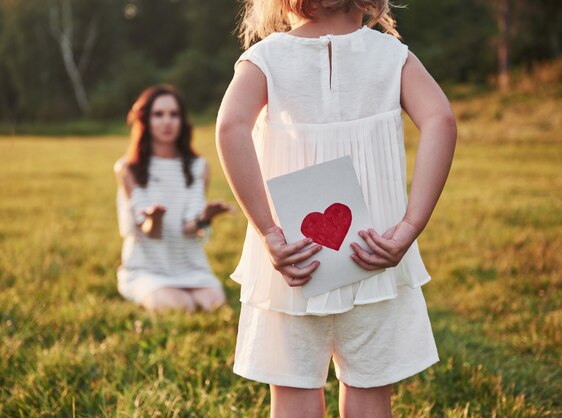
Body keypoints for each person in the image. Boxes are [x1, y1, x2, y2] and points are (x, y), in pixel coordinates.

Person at [216, 0, 457, 416]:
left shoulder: (264, 59)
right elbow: (441, 121)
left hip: (295, 255)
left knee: (293, 393)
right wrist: (410, 225)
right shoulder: (392, 56)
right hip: (376, 249)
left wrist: (269, 232)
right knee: (369, 389)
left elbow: (230, 127)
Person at [115, 85, 230, 313]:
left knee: (214, 303)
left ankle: (187, 288)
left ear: (182, 121)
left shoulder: (198, 167)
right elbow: (151, 232)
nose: (167, 121)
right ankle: (152, 290)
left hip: (189, 265)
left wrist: (205, 218)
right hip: (147, 268)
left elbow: (190, 227)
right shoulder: (128, 169)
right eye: (158, 114)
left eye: (174, 114)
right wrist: (154, 218)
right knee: (180, 306)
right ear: (145, 120)